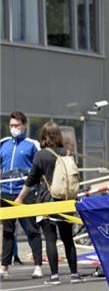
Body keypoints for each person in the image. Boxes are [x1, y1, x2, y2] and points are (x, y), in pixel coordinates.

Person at [14, 121, 81, 285]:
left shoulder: (41, 155)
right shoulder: (67, 153)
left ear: (44, 136)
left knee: (50, 239)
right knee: (67, 239)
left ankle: (54, 276)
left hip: (46, 200)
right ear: (59, 136)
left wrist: (20, 198)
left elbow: (31, 180)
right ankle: (74, 274)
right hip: (66, 200)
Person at [0, 111, 43, 279]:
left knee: (32, 230)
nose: (13, 128)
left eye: (16, 125)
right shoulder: (3, 144)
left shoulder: (32, 144)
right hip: (6, 194)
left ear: (24, 125)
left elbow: (37, 170)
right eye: (11, 125)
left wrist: (29, 192)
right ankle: (4, 267)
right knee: (7, 232)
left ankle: (38, 266)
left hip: (26, 194)